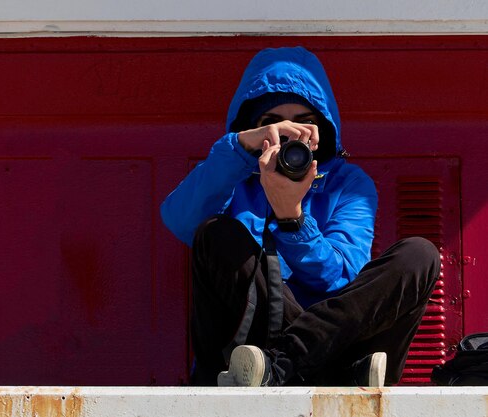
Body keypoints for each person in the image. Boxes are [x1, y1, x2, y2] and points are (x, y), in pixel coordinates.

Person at [160, 46, 441, 387]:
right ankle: (313, 367)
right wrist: (238, 149)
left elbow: (340, 279)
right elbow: (181, 221)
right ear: (254, 130)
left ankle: (286, 363)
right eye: (274, 124)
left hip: (308, 353)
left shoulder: (348, 184)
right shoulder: (231, 180)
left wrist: (292, 219)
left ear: (322, 129)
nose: (291, 134)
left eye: (304, 124)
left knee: (419, 255)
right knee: (215, 232)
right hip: (255, 348)